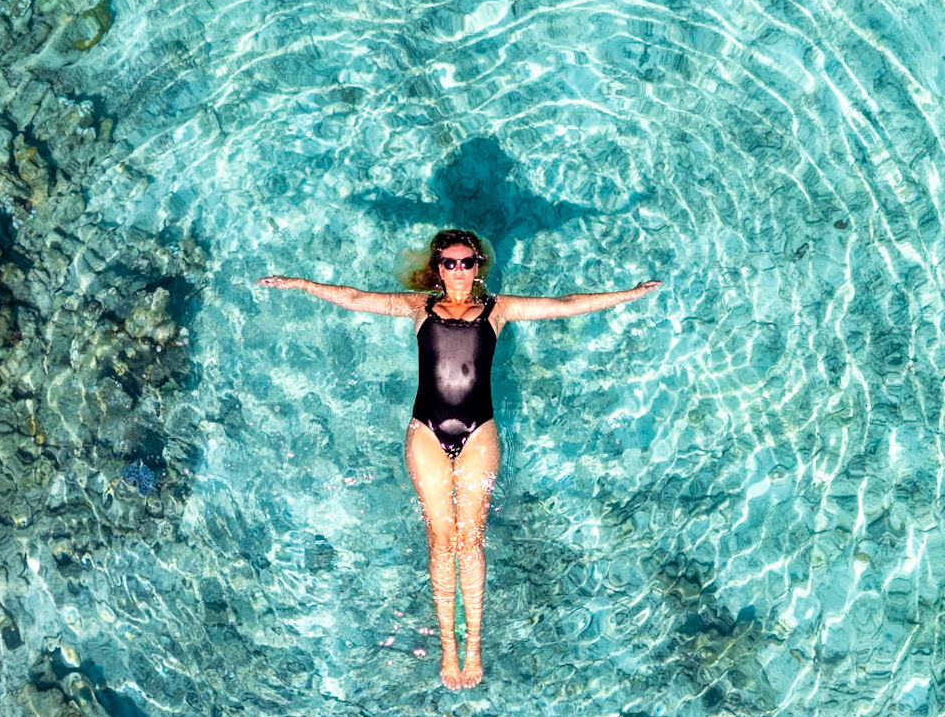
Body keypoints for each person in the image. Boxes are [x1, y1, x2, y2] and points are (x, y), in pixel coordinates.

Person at [258, 229, 661, 690]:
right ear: (437, 269)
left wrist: (629, 294)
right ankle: (448, 648)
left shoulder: (498, 309)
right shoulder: (419, 307)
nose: (458, 271)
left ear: (477, 266)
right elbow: (354, 298)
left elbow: (566, 304)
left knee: (470, 540)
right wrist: (301, 284)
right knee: (440, 539)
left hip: (478, 433)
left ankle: (474, 647)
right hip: (426, 433)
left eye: (466, 262)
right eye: (449, 263)